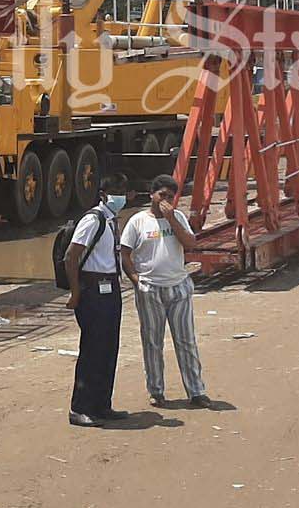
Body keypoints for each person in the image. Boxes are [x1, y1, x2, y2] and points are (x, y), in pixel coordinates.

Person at [120, 174, 210, 409]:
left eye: (171, 196)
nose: (166, 200)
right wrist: (135, 279)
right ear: (152, 195)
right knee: (152, 342)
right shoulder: (137, 222)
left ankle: (196, 391)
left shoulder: (177, 217)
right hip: (150, 290)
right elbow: (125, 254)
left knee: (186, 341)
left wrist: (171, 219)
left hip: (178, 287)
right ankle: (156, 391)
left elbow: (190, 244)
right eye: (162, 195)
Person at [63, 173, 131, 427]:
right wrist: (75, 293)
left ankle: (102, 404)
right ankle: (80, 408)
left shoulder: (113, 220)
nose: (121, 196)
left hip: (110, 288)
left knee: (108, 349)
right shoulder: (93, 219)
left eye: (124, 191)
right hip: (92, 289)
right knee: (92, 350)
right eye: (116, 190)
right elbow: (71, 257)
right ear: (103, 194)